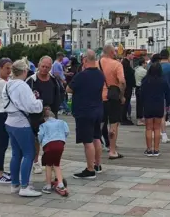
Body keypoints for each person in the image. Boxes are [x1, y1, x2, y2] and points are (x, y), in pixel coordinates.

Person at [2, 59, 44, 197]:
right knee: (29, 153)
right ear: (25, 71)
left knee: (16, 154)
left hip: (10, 121)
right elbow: (32, 106)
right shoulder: (22, 86)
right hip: (22, 123)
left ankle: (15, 184)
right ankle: (25, 186)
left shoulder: (7, 85)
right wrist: (40, 102)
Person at [67, 49, 104, 178]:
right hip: (98, 109)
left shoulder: (81, 75)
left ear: (84, 60)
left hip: (84, 111)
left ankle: (90, 169)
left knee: (87, 141)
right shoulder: (100, 74)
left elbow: (68, 89)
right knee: (96, 137)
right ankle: (97, 164)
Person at [25, 56, 62, 173]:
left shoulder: (53, 80)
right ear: (38, 66)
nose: (45, 69)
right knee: (36, 139)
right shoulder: (31, 80)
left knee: (51, 140)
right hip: (35, 114)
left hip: (51, 113)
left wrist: (54, 112)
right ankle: (36, 161)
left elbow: (58, 96)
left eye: (47, 67)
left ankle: (49, 162)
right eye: (43, 66)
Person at [99, 45, 126, 159]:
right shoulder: (117, 64)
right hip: (113, 98)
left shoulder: (96, 63)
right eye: (114, 51)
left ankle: (97, 146)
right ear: (111, 52)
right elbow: (122, 82)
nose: (115, 53)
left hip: (99, 98)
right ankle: (112, 151)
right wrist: (122, 95)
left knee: (100, 124)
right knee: (113, 124)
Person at [141, 62, 170, 157]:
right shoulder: (163, 80)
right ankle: (156, 149)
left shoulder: (145, 80)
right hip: (159, 105)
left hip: (148, 105)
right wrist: (168, 104)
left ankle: (149, 150)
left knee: (149, 128)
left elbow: (141, 94)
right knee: (157, 128)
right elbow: (168, 94)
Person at [39, 107, 69, 194]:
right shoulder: (62, 122)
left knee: (48, 165)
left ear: (44, 118)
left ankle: (48, 185)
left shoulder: (44, 125)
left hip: (49, 145)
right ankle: (60, 184)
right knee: (57, 164)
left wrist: (41, 141)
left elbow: (40, 135)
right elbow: (66, 132)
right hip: (60, 144)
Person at [0, 58, 13, 183]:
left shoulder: (6, 81)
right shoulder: (0, 82)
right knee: (2, 145)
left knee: (4, 144)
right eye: (6, 68)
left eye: (10, 68)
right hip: (1, 114)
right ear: (0, 68)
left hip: (4, 113)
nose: (9, 71)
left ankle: (1, 171)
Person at [121, 50, 135, 125]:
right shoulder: (125, 63)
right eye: (132, 54)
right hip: (126, 86)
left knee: (126, 102)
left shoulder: (127, 62)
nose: (133, 56)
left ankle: (124, 117)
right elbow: (128, 74)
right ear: (128, 54)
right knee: (125, 102)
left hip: (128, 85)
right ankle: (123, 118)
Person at [135, 58, 147, 126]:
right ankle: (140, 119)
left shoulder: (136, 69)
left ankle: (139, 119)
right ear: (142, 63)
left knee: (138, 104)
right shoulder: (144, 71)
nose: (146, 64)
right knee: (142, 105)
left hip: (137, 87)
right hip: (141, 88)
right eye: (145, 63)